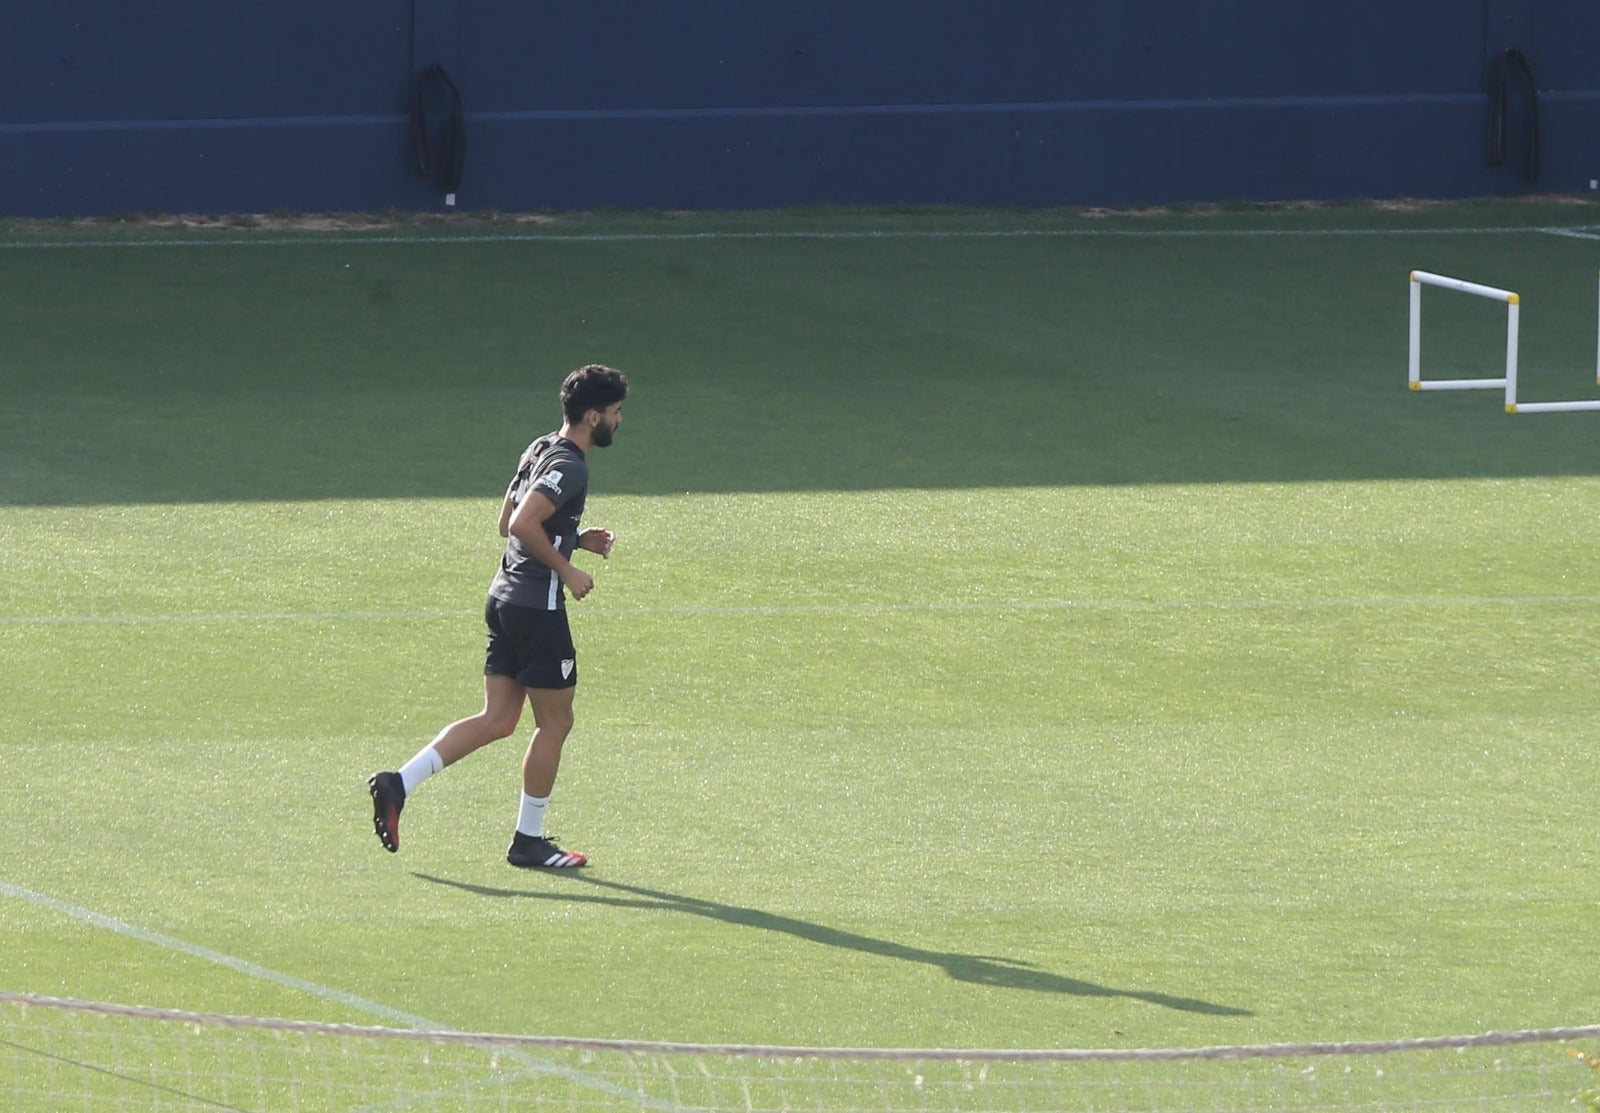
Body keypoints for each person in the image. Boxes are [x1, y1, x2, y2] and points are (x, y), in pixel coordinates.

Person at [368, 363, 629, 868]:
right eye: (616, 413)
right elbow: (525, 524)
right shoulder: (572, 465)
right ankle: (528, 841)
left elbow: (507, 522)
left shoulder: (538, 447)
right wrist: (567, 569)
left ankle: (398, 783)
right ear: (593, 415)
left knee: (499, 719)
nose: (619, 421)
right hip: (538, 607)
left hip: (504, 599)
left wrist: (575, 538)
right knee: (556, 722)